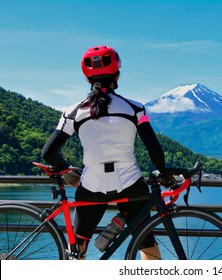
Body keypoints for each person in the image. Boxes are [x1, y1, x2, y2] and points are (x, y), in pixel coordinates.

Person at [42, 45, 165, 260]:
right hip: (131, 185)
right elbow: (153, 148)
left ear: (87, 79)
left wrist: (68, 170)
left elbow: (49, 152)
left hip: (91, 184)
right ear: (117, 76)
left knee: (78, 246)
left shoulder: (73, 112)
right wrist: (164, 171)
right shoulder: (135, 109)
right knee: (146, 241)